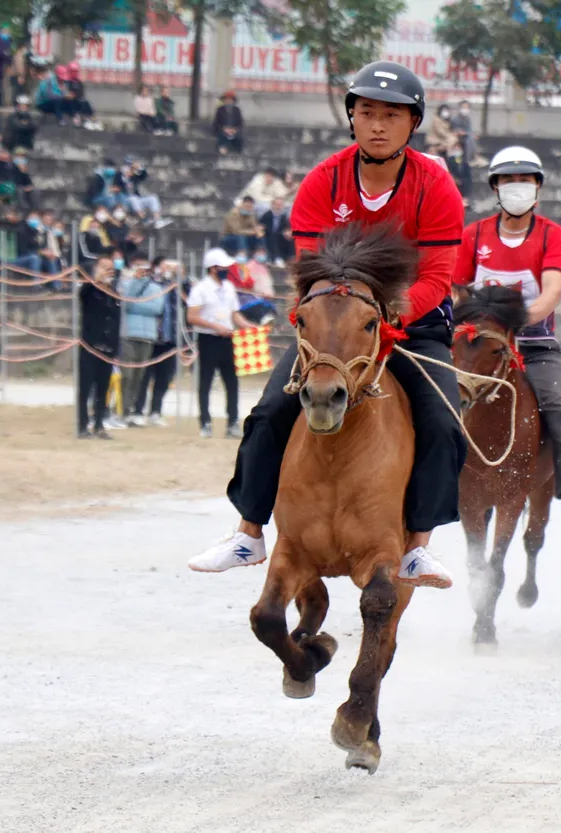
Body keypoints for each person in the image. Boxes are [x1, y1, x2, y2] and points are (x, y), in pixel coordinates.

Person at [190, 61, 467, 589]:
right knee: (271, 409)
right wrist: (330, 320)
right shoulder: (323, 181)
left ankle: (417, 546)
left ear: (414, 124)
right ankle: (249, 532)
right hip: (333, 330)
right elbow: (308, 273)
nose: (378, 125)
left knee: (442, 422)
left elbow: (437, 274)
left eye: (392, 115)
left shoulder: (436, 186)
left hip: (414, 322)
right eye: (367, 113)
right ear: (351, 118)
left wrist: (388, 319)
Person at [453, 146, 561, 548]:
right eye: (508, 181)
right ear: (495, 187)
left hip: (534, 345)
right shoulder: (473, 235)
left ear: (537, 187)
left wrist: (514, 323)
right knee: (431, 400)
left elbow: (551, 293)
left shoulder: (552, 235)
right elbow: (457, 289)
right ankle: (417, 505)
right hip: (478, 345)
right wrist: (479, 328)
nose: (516, 188)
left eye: (524, 181)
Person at [187, 248, 248, 439]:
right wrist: (215, 326)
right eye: (223, 267)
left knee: (232, 381)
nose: (226, 269)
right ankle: (204, 422)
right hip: (208, 339)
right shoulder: (200, 289)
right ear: (213, 268)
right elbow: (192, 316)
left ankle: (232, 422)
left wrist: (248, 326)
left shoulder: (229, 287)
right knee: (205, 381)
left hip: (227, 339)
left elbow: (234, 313)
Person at [116, 252, 165, 427]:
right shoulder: (126, 284)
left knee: (139, 377)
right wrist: (136, 283)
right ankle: (119, 410)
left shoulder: (157, 287)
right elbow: (126, 303)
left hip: (148, 336)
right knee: (126, 375)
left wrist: (137, 305)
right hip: (128, 334)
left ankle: (129, 411)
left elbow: (157, 308)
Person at [77, 255, 121, 439]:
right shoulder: (89, 290)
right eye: (105, 267)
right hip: (90, 346)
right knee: (85, 387)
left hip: (108, 348)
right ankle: (82, 425)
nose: (109, 271)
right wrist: (96, 279)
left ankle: (99, 424)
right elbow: (82, 295)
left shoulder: (114, 293)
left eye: (111, 268)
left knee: (103, 388)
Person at [134, 258, 180, 426]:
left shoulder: (175, 286)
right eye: (163, 266)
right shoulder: (149, 285)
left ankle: (156, 411)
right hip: (151, 337)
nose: (166, 270)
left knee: (165, 377)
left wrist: (180, 277)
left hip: (169, 338)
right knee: (144, 377)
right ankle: (138, 410)